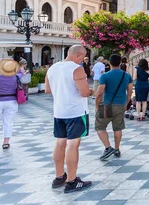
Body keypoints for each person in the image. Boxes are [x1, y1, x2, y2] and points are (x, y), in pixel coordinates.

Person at [45, 45, 93, 193]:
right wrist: (94, 91)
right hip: (76, 112)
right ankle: (72, 181)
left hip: (59, 111)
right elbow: (84, 92)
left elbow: (47, 90)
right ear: (79, 55)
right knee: (73, 144)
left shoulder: (52, 68)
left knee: (60, 142)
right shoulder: (76, 69)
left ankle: (59, 176)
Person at [95, 54, 133, 160]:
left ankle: (108, 147)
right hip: (121, 104)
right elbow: (130, 91)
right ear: (120, 63)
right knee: (118, 127)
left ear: (109, 63)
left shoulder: (105, 76)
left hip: (107, 105)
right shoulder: (127, 75)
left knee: (100, 126)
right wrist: (126, 103)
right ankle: (117, 149)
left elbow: (99, 93)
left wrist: (97, 105)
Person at [0, 59, 23, 149]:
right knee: (8, 122)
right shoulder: (16, 77)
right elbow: (21, 72)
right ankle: (6, 142)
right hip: (11, 101)